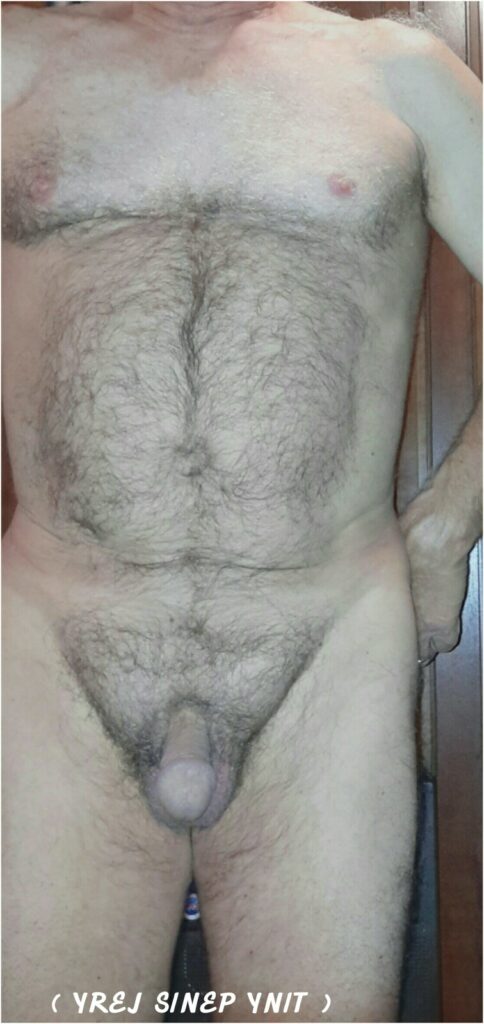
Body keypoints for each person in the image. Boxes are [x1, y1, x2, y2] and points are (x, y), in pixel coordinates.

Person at [2, 2, 481, 1021]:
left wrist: (450, 521)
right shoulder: (14, 59)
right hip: (54, 652)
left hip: (324, 659)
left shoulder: (401, 72)